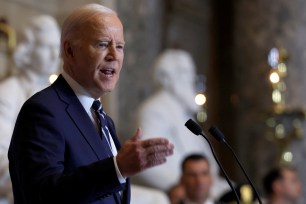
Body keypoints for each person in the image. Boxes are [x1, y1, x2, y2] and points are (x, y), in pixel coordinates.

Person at [8, 3, 174, 204]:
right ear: (69, 51)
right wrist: (117, 168)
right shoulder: (42, 111)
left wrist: (118, 168)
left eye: (119, 46)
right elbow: (42, 196)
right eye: (103, 44)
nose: (114, 55)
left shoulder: (104, 119)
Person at [132, 49, 228, 199]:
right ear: (165, 77)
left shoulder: (183, 110)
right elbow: (146, 161)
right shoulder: (154, 109)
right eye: (184, 72)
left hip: (204, 186)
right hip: (180, 190)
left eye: (191, 71)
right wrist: (180, 185)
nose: (190, 77)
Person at [0, 14, 60, 203]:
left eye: (56, 48)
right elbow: (1, 156)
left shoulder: (59, 94)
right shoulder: (9, 91)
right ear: (28, 48)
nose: (53, 55)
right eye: (46, 46)